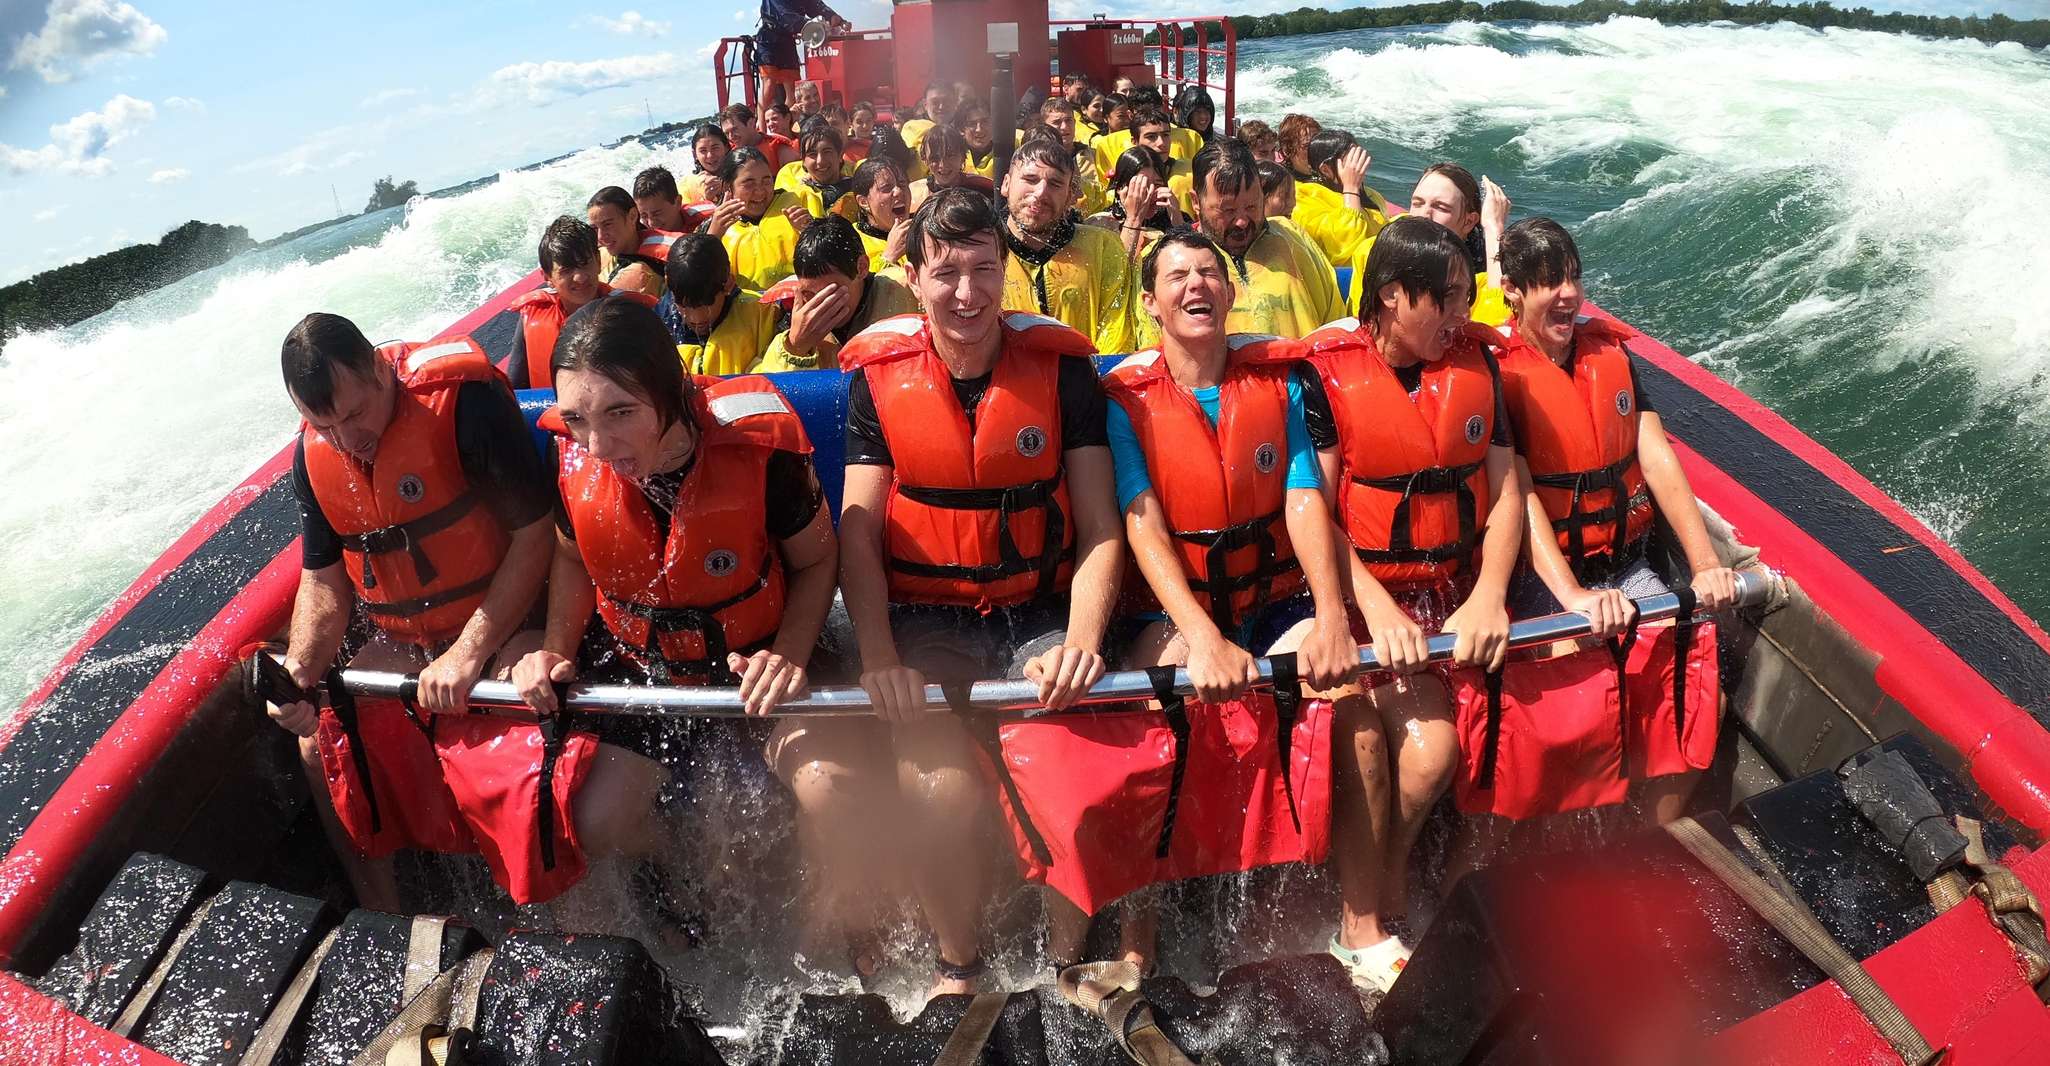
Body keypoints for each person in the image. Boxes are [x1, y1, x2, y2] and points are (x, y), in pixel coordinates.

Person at [510, 295, 886, 971]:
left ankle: (839, 924)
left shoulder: (760, 451)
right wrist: (556, 649)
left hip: (760, 649)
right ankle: (674, 871)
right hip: (645, 662)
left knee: (836, 797)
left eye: (620, 413)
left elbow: (817, 559)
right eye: (577, 419)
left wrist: (789, 656)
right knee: (595, 821)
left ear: (670, 389)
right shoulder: (573, 459)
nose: (599, 445)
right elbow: (570, 556)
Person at [837, 187, 1124, 995]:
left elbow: (1102, 527)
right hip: (928, 619)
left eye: (982, 270)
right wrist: (880, 658)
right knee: (938, 795)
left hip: (1038, 611)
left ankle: (1070, 964)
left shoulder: (1064, 375)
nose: (966, 293)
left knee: (1077, 778)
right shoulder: (876, 382)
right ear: (914, 277)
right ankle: (956, 962)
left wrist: (1083, 640)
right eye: (945, 273)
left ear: (1005, 271)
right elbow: (859, 533)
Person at [1058, 230, 1361, 971]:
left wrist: (1329, 615)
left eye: (1209, 275)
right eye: (1178, 276)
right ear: (1150, 303)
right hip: (1170, 613)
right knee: (1171, 709)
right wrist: (1203, 638)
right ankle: (1140, 945)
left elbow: (1301, 500)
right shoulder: (1122, 401)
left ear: (1230, 295)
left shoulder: (1277, 385)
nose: (1196, 286)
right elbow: (1142, 523)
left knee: (1345, 700)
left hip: (1267, 601)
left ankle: (1325, 920)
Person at [267, 312, 611, 912]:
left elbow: (537, 538)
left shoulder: (466, 408)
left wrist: (468, 651)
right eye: (326, 424)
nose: (348, 439)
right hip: (409, 642)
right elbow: (322, 580)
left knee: (520, 755)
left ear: (380, 367)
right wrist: (298, 670)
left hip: (508, 625)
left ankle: (571, 918)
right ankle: (383, 916)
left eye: (354, 414)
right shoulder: (314, 453)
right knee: (322, 749)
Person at [1300, 215, 1525, 994]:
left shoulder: (1476, 371)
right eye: (1451, 300)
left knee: (1437, 756)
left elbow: (1503, 498)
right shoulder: (1324, 377)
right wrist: (1381, 614)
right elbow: (1317, 513)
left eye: (1466, 297)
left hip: (1449, 598)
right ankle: (1371, 910)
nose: (1464, 316)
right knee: (1406, 747)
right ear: (1394, 297)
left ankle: (1389, 893)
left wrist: (1491, 592)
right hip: (1357, 602)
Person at [1493, 217, 1740, 823]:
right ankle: (1533, 847)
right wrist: (1572, 595)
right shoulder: (1495, 373)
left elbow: (1655, 456)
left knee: (1700, 696)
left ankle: (1646, 839)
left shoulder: (1611, 356)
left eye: (1573, 278)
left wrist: (1706, 562)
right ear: (1514, 292)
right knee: (1569, 712)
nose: (1568, 295)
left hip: (1624, 565)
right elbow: (1517, 496)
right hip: (1539, 579)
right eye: (1549, 282)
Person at [1137, 138, 1343, 346]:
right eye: (1228, 210)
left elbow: (1336, 321)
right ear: (1196, 202)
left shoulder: (1292, 237)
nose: (1242, 222)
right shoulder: (1166, 259)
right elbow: (1152, 343)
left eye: (1252, 206)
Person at [999, 137, 1135, 354]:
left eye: (1055, 184)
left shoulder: (1102, 247)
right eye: (1030, 179)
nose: (1041, 192)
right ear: (1006, 184)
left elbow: (1116, 336)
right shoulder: (983, 251)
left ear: (1070, 196)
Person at [1343, 164, 1514, 328]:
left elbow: (1499, 327)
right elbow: (1367, 323)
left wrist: (1493, 228)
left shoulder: (1480, 275)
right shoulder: (1376, 251)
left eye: (1440, 207)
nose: (1424, 214)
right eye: (1417, 203)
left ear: (1469, 222)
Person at [757, 216, 920, 371]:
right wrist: (795, 347)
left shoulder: (909, 291)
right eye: (810, 293)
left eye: (831, 292)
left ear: (862, 267)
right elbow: (765, 391)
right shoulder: (790, 318)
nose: (821, 305)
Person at [506, 216, 620, 390]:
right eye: (566, 270)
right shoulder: (531, 317)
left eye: (585, 264)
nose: (580, 277)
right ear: (547, 277)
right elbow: (515, 391)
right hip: (552, 412)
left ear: (598, 262)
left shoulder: (626, 313)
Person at [658, 234, 780, 375]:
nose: (695, 318)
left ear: (728, 283)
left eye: (706, 304)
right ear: (667, 283)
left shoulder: (767, 314)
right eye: (683, 305)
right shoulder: (658, 323)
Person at [707, 146, 812, 291]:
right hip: (749, 308)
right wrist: (712, 238)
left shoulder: (798, 201)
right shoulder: (716, 227)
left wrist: (810, 230)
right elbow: (699, 281)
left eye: (766, 181)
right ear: (728, 188)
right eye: (749, 184)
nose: (760, 191)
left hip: (799, 294)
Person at [1291, 128, 1388, 270]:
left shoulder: (1371, 195)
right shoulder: (1304, 196)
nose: (1358, 168)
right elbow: (1346, 247)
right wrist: (1351, 188)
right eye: (1351, 162)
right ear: (1325, 169)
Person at [1084, 145, 1182, 257]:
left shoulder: (1173, 217)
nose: (1150, 193)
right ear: (1121, 187)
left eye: (1157, 184)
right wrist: (1134, 218)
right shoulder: (1099, 224)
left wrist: (1178, 221)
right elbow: (1120, 271)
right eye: (1141, 185)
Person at [752, 0, 846, 110]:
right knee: (769, 85)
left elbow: (815, 6)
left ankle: (787, 122)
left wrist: (834, 18)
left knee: (792, 88)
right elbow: (785, 16)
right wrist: (812, 24)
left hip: (787, 40)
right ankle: (761, 124)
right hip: (768, 40)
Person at [588, 186, 677, 299]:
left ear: (632, 216)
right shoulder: (602, 253)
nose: (600, 236)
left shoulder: (642, 274)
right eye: (595, 228)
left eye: (608, 224)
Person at [1034, 96, 1109, 215]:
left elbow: (1107, 192)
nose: (1064, 127)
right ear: (1044, 126)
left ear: (1074, 123)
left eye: (1068, 120)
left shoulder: (1094, 154)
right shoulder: (1034, 159)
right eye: (1057, 122)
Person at [775, 123, 860, 221]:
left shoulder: (858, 191)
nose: (820, 161)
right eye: (812, 154)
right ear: (803, 161)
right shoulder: (794, 197)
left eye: (827, 152)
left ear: (840, 155)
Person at [845, 155, 912, 273]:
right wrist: (889, 256)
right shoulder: (851, 241)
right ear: (863, 202)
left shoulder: (924, 228)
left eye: (902, 184)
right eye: (886, 188)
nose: (899, 192)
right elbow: (857, 287)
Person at [908, 124, 984, 211]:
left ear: (963, 156)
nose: (943, 165)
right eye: (934, 158)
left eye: (950, 155)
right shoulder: (912, 194)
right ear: (924, 159)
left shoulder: (982, 189)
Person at [898, 81, 956, 178]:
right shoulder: (912, 129)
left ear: (955, 102)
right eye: (935, 102)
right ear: (925, 104)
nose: (941, 107)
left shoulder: (967, 130)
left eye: (946, 101)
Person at [633, 166, 711, 235]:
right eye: (644, 216)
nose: (651, 223)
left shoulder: (710, 218)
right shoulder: (638, 239)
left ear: (677, 202)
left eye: (657, 213)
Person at [680, 124, 732, 205]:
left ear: (726, 148)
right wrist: (707, 201)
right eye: (703, 150)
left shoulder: (743, 172)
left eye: (715, 148)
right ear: (695, 155)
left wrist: (729, 187)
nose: (710, 155)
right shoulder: (686, 186)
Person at [953, 97, 998, 179]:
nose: (979, 129)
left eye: (984, 121)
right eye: (972, 124)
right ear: (961, 129)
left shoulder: (1007, 152)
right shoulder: (952, 157)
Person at [1277, 114, 1320, 182]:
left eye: (1318, 144)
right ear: (1286, 149)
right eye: (1306, 146)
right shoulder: (1283, 183)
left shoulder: (1329, 172)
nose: (1316, 150)